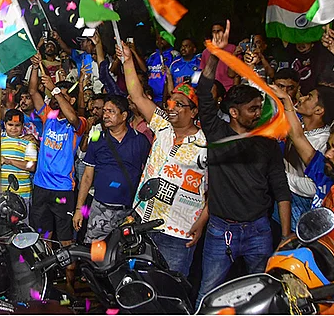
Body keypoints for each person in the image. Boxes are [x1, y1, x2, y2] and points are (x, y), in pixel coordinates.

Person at [195, 21, 292, 307]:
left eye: (259, 108)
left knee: (261, 298)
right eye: (252, 109)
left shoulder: (267, 142)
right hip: (220, 230)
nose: (258, 113)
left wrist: (285, 235)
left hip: (259, 231)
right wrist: (216, 54)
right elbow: (204, 92)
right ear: (234, 112)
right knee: (208, 294)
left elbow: (281, 188)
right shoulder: (217, 132)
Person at [117, 41, 208, 277]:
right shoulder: (162, 126)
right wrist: (128, 61)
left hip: (178, 230)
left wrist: (202, 222)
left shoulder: (206, 143)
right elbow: (136, 95)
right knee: (137, 286)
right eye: (170, 102)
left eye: (181, 104)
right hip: (141, 220)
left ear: (194, 111)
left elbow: (217, 187)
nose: (173, 107)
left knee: (169, 292)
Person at [28, 53, 88, 292]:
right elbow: (33, 92)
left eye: (62, 96)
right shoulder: (49, 116)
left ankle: (71, 287)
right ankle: (47, 281)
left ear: (69, 99)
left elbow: (73, 117)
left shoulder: (78, 123)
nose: (55, 99)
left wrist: (55, 89)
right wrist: (34, 69)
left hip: (63, 189)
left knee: (66, 242)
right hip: (41, 187)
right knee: (43, 237)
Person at [73, 95, 150, 242]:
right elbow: (87, 177)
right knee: (95, 254)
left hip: (129, 212)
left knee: (127, 254)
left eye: (111, 111)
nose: (105, 115)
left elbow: (148, 174)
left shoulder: (140, 140)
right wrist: (79, 210)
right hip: (100, 210)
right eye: (105, 111)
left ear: (124, 116)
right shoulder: (97, 138)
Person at [279, 85, 334, 228]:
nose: (301, 98)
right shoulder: (300, 128)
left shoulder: (324, 144)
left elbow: (314, 188)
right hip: (284, 196)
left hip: (302, 205)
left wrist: (279, 176)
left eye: (309, 97)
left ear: (319, 110)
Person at [0, 109, 37, 212]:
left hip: (22, 194)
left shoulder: (29, 143)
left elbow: (31, 167)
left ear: (22, 126)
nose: (13, 128)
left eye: (17, 125)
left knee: (21, 224)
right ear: (4, 124)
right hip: (2, 192)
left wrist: (9, 161)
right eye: (10, 124)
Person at [200, 21, 237, 91]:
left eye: (219, 31)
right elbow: (204, 74)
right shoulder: (206, 52)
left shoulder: (233, 49)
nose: (216, 33)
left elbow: (234, 75)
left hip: (228, 90)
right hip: (211, 91)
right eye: (214, 31)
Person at [146, 32, 180, 105]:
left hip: (167, 98)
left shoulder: (174, 55)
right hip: (152, 98)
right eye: (157, 39)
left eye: (162, 39)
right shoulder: (153, 56)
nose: (159, 41)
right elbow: (145, 71)